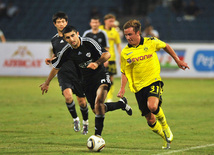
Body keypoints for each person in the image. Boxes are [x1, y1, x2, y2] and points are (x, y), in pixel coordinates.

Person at [117, 19, 190, 149]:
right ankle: (165, 138)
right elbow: (124, 72)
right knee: (150, 120)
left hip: (153, 81)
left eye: (130, 34)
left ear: (138, 33)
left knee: (152, 106)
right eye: (126, 35)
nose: (127, 37)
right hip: (138, 87)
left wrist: (178, 61)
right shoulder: (125, 52)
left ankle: (166, 126)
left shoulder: (151, 42)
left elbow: (166, 46)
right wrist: (122, 88)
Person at [51, 25, 132, 138]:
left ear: (77, 34)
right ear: (65, 39)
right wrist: (46, 82)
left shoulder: (88, 43)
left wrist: (97, 63)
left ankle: (97, 136)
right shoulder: (67, 51)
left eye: (73, 35)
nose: (72, 39)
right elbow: (56, 67)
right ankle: (121, 104)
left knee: (98, 103)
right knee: (97, 109)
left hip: (100, 75)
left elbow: (107, 54)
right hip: (86, 82)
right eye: (68, 37)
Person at [39, 12, 89, 135]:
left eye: (63, 21)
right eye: (58, 22)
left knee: (82, 102)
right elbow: (58, 55)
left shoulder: (73, 36)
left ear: (66, 22)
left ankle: (86, 122)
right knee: (68, 97)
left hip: (78, 72)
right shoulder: (54, 40)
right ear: (54, 24)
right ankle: (75, 119)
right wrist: (52, 59)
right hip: (64, 72)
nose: (61, 24)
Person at [99, 14, 122, 102]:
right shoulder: (100, 29)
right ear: (105, 21)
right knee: (98, 78)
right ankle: (96, 96)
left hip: (111, 58)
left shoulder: (115, 32)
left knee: (110, 78)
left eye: (113, 21)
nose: (112, 23)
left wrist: (120, 57)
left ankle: (109, 97)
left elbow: (118, 45)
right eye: (110, 21)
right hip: (100, 58)